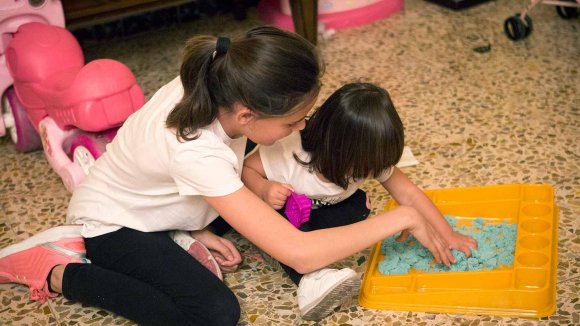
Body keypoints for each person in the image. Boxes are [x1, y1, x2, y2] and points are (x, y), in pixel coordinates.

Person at [0, 27, 457, 325]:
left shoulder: (217, 79)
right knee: (212, 313)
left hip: (172, 202)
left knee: (285, 206)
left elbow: (228, 176)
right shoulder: (196, 150)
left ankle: (182, 231)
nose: (302, 129)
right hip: (115, 222)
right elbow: (298, 253)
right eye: (292, 121)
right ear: (246, 112)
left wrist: (198, 221)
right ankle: (59, 269)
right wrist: (401, 219)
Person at [242, 82, 478, 320]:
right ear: (337, 149)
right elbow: (244, 170)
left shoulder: (366, 157)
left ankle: (318, 243)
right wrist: (264, 188)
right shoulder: (288, 154)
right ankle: (311, 278)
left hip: (318, 210)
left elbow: (408, 194)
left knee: (359, 205)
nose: (370, 174)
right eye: (363, 170)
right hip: (283, 215)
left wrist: (448, 235)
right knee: (286, 223)